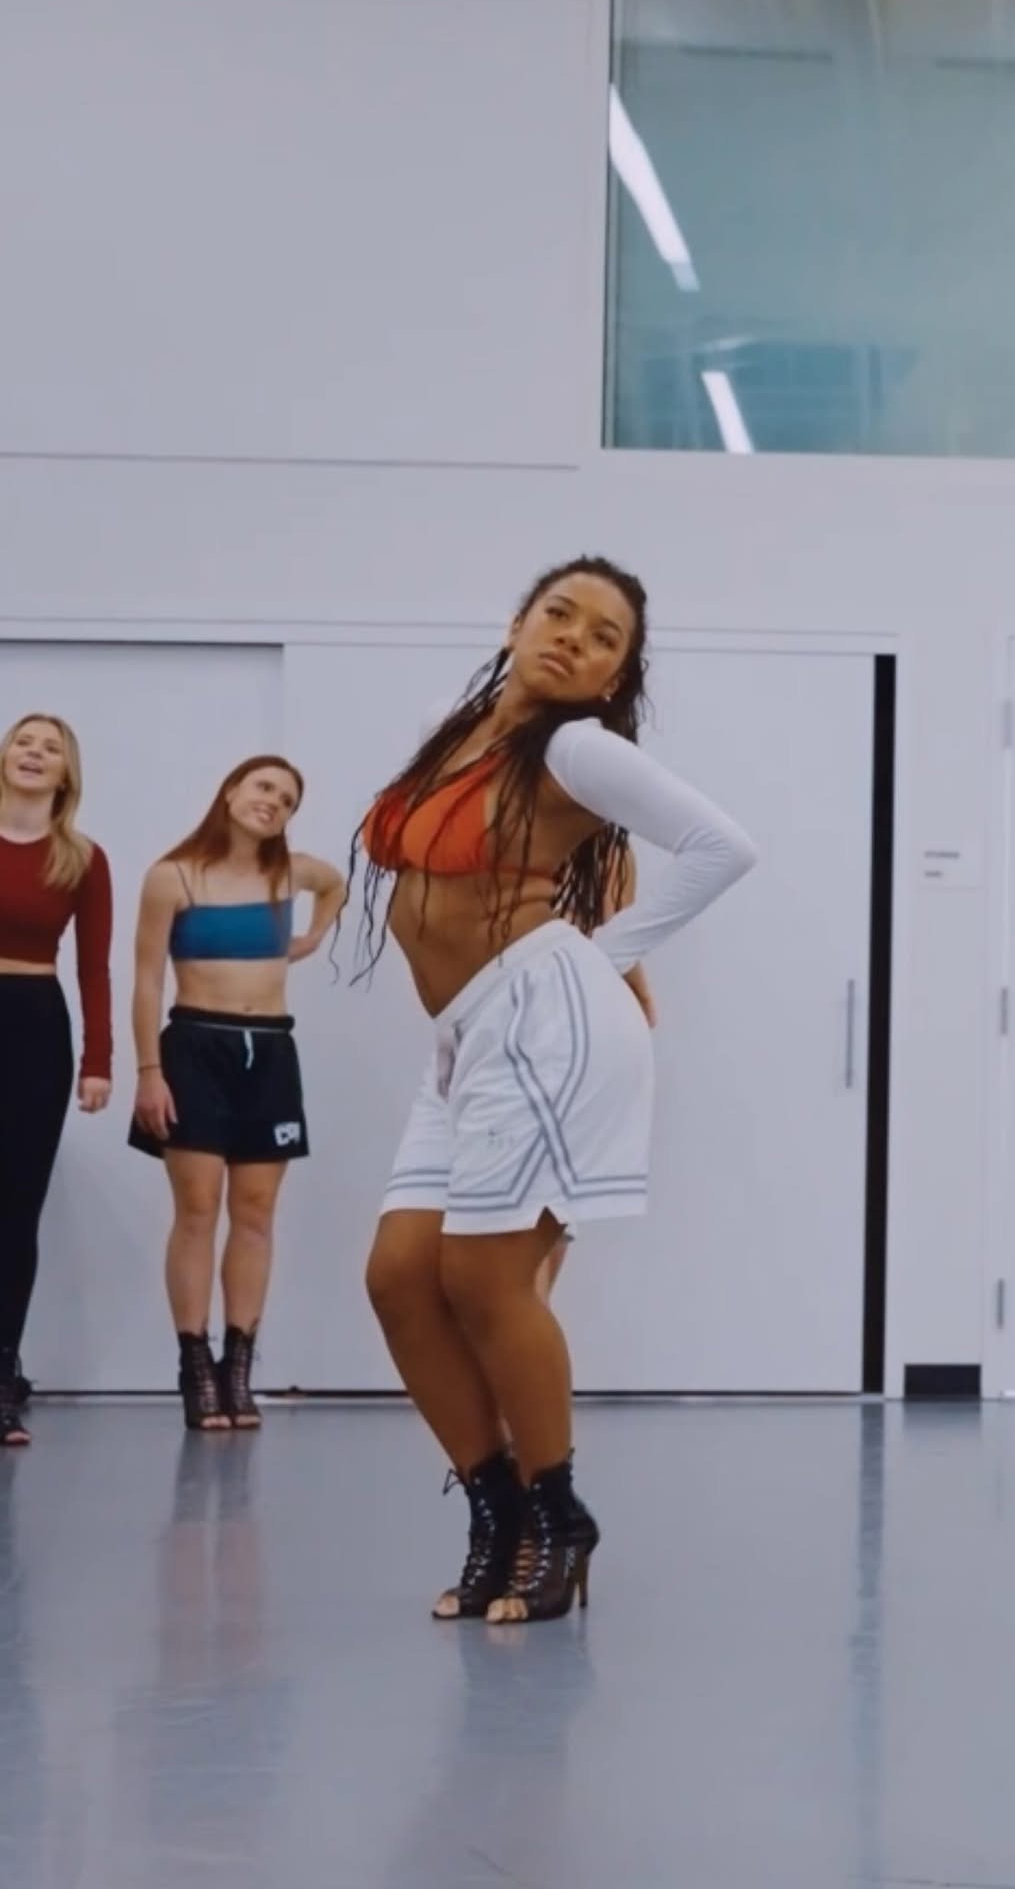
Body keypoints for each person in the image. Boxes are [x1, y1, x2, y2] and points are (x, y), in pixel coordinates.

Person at [356, 556, 757, 1624]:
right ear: (517, 622)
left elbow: (722, 847)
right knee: (399, 1278)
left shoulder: (577, 749)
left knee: (484, 1280)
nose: (573, 636)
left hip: (544, 1026)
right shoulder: (453, 731)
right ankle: (498, 1514)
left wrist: (597, 955)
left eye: (603, 637)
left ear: (613, 679)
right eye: (559, 613)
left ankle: (558, 1518)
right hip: (466, 1036)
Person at [129, 756, 345, 1433]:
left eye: (287, 799)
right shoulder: (172, 876)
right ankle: (195, 1367)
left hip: (270, 1050)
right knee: (198, 1210)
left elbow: (334, 883)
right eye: (263, 787)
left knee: (255, 1212)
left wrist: (312, 935)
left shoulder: (289, 874)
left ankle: (238, 1367)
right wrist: (148, 1070)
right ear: (230, 792)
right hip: (195, 1047)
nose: (273, 802)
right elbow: (145, 980)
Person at [0, 713, 113, 1446]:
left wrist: (98, 1061)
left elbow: (94, 967)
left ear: (66, 773)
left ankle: (2, 1373)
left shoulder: (81, 858)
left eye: (51, 749)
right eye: (24, 741)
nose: (35, 754)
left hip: (35, 1026)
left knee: (15, 1210)